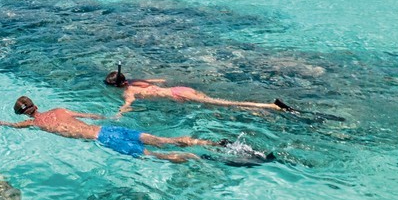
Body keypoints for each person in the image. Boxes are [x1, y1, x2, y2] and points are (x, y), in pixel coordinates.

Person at [0, 95, 222, 163]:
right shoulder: (61, 110)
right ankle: (209, 144)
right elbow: (95, 114)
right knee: (164, 140)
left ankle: (198, 159)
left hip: (104, 140)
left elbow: (6, 125)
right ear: (35, 104)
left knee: (156, 156)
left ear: (24, 112)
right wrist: (116, 114)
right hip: (108, 128)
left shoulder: (35, 124)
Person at [103, 64, 297, 116]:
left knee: (224, 103)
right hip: (181, 89)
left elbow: (128, 104)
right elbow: (156, 80)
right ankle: (260, 112)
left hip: (177, 94)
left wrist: (119, 114)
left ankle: (271, 106)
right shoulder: (135, 82)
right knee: (218, 106)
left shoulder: (129, 92)